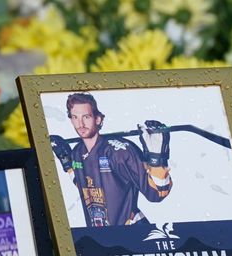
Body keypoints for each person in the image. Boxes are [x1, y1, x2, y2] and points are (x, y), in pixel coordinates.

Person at [51, 93, 173, 227]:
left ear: (98, 119)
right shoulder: (77, 153)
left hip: (132, 236)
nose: (80, 124)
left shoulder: (120, 151)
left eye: (86, 117)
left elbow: (157, 193)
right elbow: (86, 186)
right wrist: (67, 164)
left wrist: (157, 158)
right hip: (100, 239)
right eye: (75, 117)